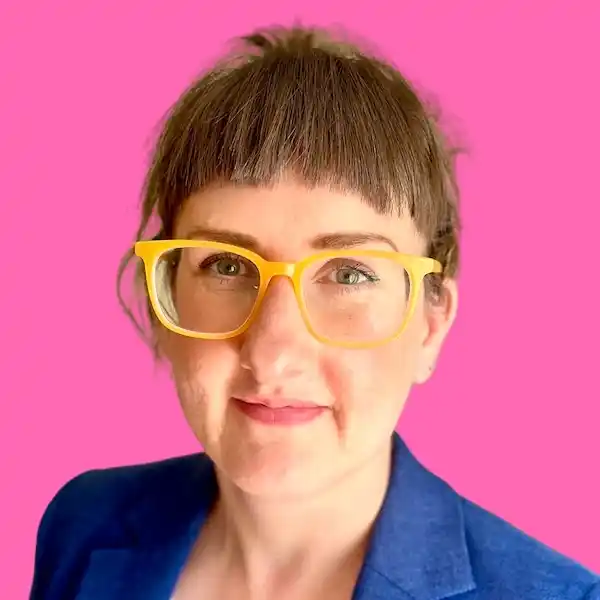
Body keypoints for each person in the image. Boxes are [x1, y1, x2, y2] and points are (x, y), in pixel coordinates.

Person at [29, 26, 599, 600]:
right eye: (226, 265)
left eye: (349, 275)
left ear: (430, 327)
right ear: (164, 297)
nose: (272, 355)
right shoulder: (82, 525)